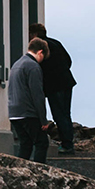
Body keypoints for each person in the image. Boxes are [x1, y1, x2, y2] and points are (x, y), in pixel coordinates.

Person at [30, 21, 76, 153]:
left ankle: (67, 145)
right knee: (66, 113)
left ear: (34, 35)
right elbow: (68, 60)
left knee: (59, 114)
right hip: (67, 82)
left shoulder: (40, 48)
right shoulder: (55, 43)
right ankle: (68, 142)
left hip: (54, 85)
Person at [7, 37, 50, 161]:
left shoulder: (17, 64)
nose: (42, 61)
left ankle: (20, 173)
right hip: (28, 113)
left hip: (14, 113)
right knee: (41, 142)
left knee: (25, 144)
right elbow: (37, 95)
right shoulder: (33, 67)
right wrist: (43, 120)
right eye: (43, 57)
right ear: (40, 52)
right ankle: (39, 174)